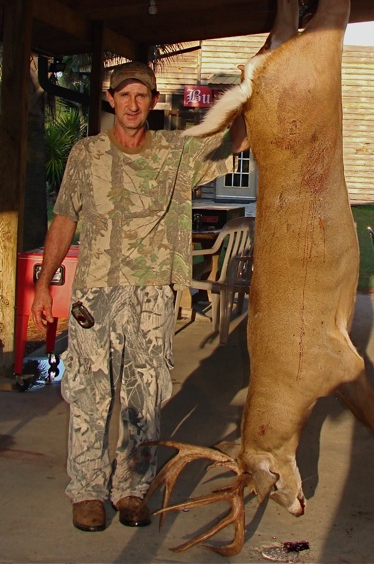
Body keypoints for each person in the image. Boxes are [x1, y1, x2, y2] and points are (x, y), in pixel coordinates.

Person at [31, 61, 249, 532]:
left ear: (152, 102)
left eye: (141, 96)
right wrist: (44, 284)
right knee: (90, 392)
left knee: (145, 392)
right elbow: (64, 220)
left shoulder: (175, 152)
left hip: (153, 293)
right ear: (110, 100)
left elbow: (235, 140)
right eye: (124, 95)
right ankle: (87, 490)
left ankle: (130, 487)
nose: (132, 104)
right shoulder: (86, 155)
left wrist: (254, 90)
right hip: (97, 292)